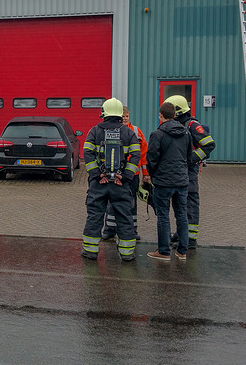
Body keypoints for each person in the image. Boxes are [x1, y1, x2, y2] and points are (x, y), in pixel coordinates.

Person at [80, 98, 141, 262]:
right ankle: (127, 254)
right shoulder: (129, 132)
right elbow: (136, 155)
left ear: (104, 113)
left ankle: (90, 251)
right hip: (121, 185)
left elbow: (87, 153)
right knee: (124, 217)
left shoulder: (94, 131)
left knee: (94, 216)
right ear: (121, 114)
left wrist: (97, 175)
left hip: (99, 184)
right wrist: (126, 176)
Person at [164, 95, 216, 248]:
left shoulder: (192, 125)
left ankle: (191, 240)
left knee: (190, 204)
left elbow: (208, 145)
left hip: (189, 172)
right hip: (179, 172)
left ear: (177, 112)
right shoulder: (179, 125)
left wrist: (190, 159)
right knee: (180, 204)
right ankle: (182, 234)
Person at [146, 102, 194, 261]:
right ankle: (182, 251)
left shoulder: (157, 134)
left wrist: (152, 175)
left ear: (160, 115)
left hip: (163, 181)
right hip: (181, 181)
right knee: (182, 215)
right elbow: (189, 157)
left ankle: (164, 251)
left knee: (163, 215)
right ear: (175, 115)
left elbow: (152, 158)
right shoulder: (186, 133)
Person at [101, 106, 150, 241]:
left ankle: (132, 230)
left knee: (131, 202)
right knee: (112, 200)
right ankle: (110, 229)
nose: (125, 118)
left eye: (127, 116)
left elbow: (143, 154)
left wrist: (146, 174)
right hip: (115, 174)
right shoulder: (111, 131)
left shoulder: (136, 131)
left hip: (132, 176)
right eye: (123, 116)